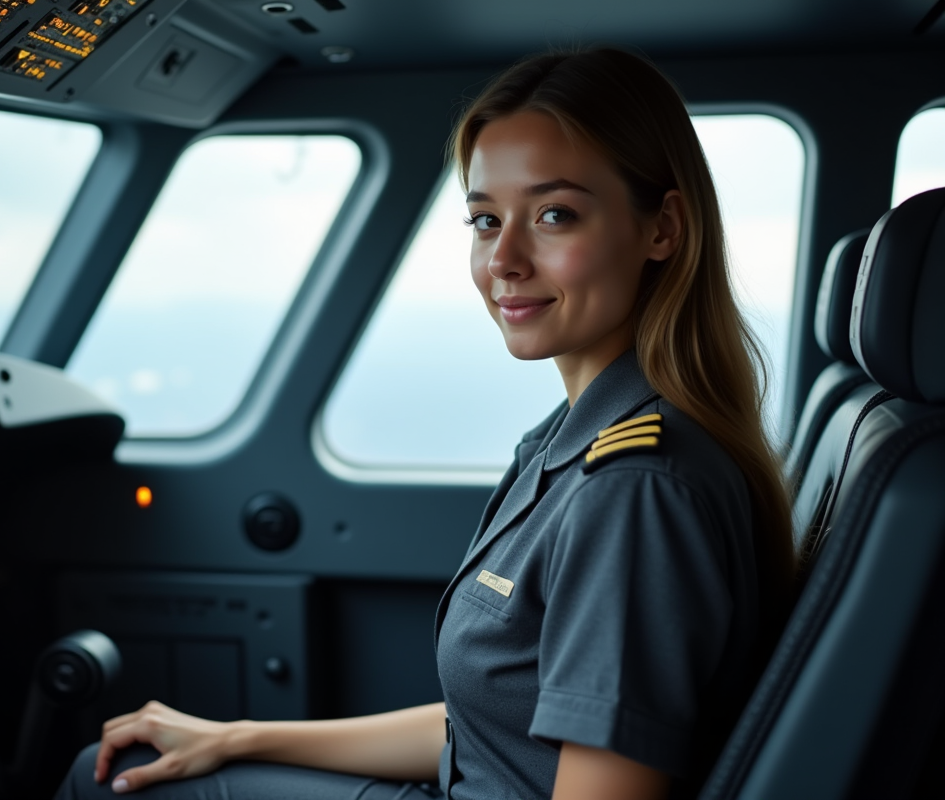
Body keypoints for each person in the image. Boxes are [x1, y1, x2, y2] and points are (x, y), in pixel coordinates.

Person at [54, 47, 794, 800]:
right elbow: (491, 728)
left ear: (662, 228)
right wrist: (235, 738)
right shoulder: (578, 440)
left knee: (101, 782)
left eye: (553, 214)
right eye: (483, 219)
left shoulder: (635, 489)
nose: (503, 258)